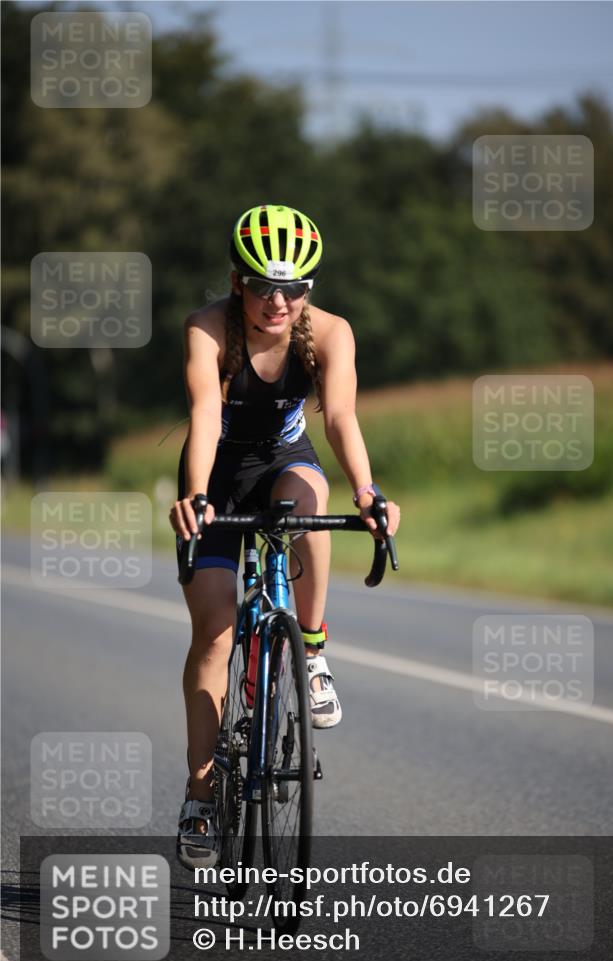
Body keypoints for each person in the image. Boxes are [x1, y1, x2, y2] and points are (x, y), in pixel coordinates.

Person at [169, 204, 400, 868]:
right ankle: (201, 794)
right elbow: (204, 413)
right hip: (216, 471)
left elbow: (340, 415)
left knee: (309, 505)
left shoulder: (329, 332)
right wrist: (195, 495)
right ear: (236, 282)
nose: (278, 302)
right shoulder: (207, 328)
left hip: (283, 461)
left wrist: (368, 491)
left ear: (308, 288)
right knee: (215, 632)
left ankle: (313, 648)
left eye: (294, 288)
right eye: (262, 286)